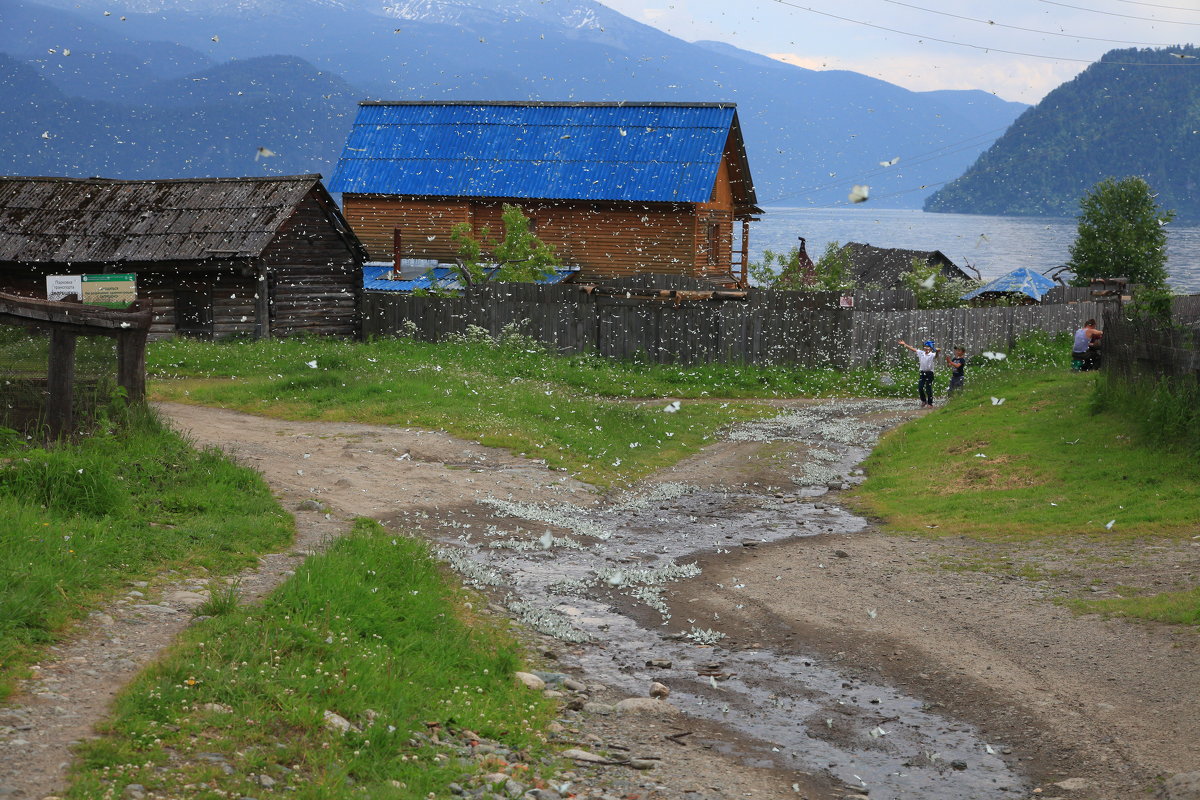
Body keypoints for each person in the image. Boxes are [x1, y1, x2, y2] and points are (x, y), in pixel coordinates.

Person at [899, 339, 940, 407]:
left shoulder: (932, 354)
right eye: (925, 346)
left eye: (928, 347)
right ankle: (923, 401)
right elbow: (913, 349)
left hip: (929, 373)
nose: (926, 348)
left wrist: (938, 352)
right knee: (920, 387)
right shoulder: (921, 353)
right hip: (922, 372)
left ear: (930, 348)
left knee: (928, 388)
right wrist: (904, 344)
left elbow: (936, 356)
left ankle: (930, 403)